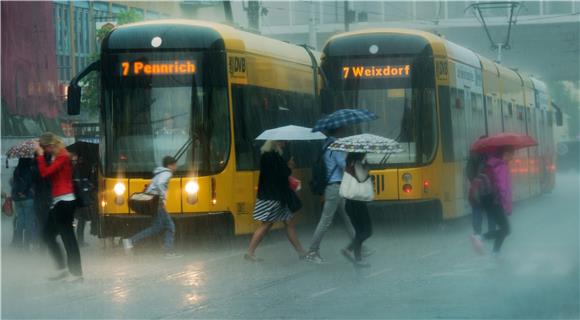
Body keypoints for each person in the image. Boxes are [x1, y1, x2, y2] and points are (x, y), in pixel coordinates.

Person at [245, 140, 305, 261]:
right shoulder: (274, 157)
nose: (284, 144)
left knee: (288, 223)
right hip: (274, 198)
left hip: (272, 196)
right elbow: (283, 174)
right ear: (275, 143)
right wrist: (289, 166)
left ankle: (301, 252)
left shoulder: (266, 156)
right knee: (268, 224)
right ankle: (249, 253)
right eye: (282, 142)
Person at [35, 132, 83, 282]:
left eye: (44, 147)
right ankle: (63, 269)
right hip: (58, 201)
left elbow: (45, 173)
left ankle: (76, 273)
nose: (44, 150)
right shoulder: (58, 156)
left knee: (68, 237)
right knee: (48, 234)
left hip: (65, 201)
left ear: (49, 145)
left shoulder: (62, 156)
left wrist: (40, 156)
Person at [304, 128, 356, 264]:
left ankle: (358, 244)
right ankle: (312, 251)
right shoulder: (337, 146)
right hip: (335, 188)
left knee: (348, 217)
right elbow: (343, 166)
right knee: (325, 221)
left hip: (334, 187)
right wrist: (350, 158)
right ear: (339, 132)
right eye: (343, 130)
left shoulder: (325, 145)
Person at [123, 156, 182, 258]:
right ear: (170, 165)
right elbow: (160, 184)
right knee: (170, 226)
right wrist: (162, 197)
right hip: (158, 202)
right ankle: (168, 252)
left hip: (154, 202)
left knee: (157, 227)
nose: (176, 166)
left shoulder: (159, 172)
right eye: (174, 164)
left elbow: (152, 186)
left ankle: (130, 241)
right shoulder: (167, 173)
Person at [341, 152, 373, 267]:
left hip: (350, 203)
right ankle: (352, 252)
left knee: (360, 232)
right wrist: (367, 168)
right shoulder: (357, 164)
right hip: (357, 203)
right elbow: (361, 177)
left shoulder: (349, 163)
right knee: (367, 231)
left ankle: (355, 256)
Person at [482, 146, 514, 257]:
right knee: (506, 229)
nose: (512, 157)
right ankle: (481, 237)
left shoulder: (492, 163)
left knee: (504, 228)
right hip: (498, 201)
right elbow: (503, 188)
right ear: (505, 154)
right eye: (510, 154)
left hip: (490, 200)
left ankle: (496, 252)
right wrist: (507, 206)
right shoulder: (502, 166)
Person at [466, 143, 496, 254]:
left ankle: (477, 232)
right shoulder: (492, 155)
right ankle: (491, 232)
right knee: (490, 211)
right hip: (488, 188)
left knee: (477, 209)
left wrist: (475, 181)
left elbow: (468, 171)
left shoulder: (474, 155)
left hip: (478, 188)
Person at [11, 158, 38, 250]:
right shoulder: (29, 170)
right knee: (29, 222)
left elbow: (13, 183)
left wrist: (18, 193)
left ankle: (18, 243)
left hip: (17, 199)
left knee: (20, 221)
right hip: (27, 198)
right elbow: (30, 183)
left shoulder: (16, 170)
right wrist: (25, 193)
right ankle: (27, 244)